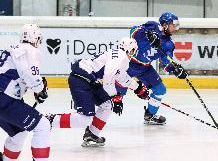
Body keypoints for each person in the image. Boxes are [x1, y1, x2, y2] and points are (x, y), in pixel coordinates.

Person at [46, 37, 149, 147]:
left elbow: (120, 75)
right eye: (134, 51)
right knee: (85, 119)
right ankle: (51, 120)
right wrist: (115, 96)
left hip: (88, 79)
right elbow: (109, 76)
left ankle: (92, 134)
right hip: (81, 78)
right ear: (131, 50)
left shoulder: (117, 55)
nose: (133, 54)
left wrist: (137, 87)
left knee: (107, 105)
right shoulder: (121, 56)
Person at [117, 12, 188, 125]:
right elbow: (133, 31)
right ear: (165, 25)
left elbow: (167, 62)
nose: (175, 28)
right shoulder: (152, 26)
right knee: (116, 95)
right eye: (173, 25)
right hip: (129, 64)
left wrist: (175, 69)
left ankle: (150, 115)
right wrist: (148, 34)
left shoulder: (169, 44)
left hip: (145, 68)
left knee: (160, 90)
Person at [0, 24, 50, 161]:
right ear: (35, 37)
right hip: (4, 98)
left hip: (4, 97)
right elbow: (30, 75)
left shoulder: (11, 49)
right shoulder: (29, 50)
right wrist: (40, 90)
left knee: (18, 134)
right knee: (43, 126)